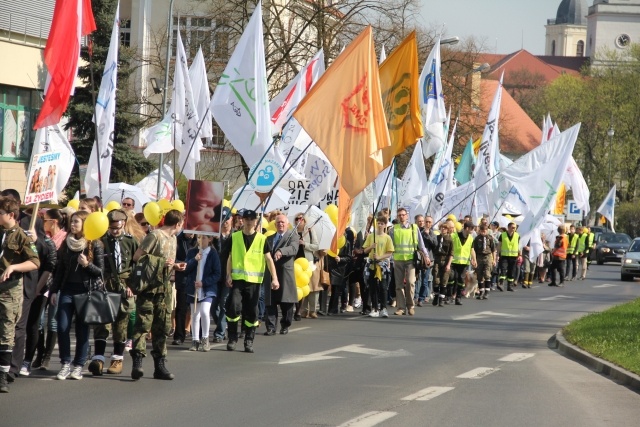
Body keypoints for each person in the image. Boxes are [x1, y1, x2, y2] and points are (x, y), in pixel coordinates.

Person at [130, 210, 186, 380]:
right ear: (177, 224)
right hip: (149, 288)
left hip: (165, 288)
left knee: (162, 327)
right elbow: (138, 257)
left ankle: (159, 365)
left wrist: (175, 266)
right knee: (143, 325)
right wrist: (161, 262)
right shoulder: (155, 236)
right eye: (181, 223)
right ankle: (137, 363)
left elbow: (166, 263)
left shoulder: (173, 238)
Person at [49, 211, 104, 381]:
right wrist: (53, 291)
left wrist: (87, 265)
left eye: (77, 222)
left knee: (82, 330)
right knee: (63, 327)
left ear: (85, 224)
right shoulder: (66, 243)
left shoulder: (95, 244)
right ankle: (65, 363)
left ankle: (79, 365)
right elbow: (60, 270)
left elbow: (100, 272)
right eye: (72, 222)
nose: (73, 225)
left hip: (86, 292)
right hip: (67, 290)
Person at [87, 210, 138, 376]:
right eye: (111, 228)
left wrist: (133, 286)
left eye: (117, 227)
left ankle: (117, 359)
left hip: (124, 285)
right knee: (102, 324)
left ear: (123, 223)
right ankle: (98, 359)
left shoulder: (131, 242)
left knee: (121, 325)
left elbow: (137, 266)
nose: (114, 231)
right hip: (104, 285)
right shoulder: (100, 242)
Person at [0, 196, 40, 392]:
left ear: (11, 215)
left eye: (0, 213)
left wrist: (14, 267)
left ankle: (3, 375)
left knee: (7, 332)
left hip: (9, 291)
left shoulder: (22, 236)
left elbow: (35, 262)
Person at [224, 209, 279, 353]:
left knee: (252, 312)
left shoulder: (262, 239)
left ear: (256, 221)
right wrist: (228, 275)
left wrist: (274, 278)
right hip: (238, 280)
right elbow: (229, 257)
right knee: (234, 307)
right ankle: (232, 338)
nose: (248, 222)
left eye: (251, 219)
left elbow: (269, 259)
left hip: (254, 282)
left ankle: (249, 339)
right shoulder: (234, 237)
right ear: (242, 220)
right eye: (246, 219)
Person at [389, 207, 430, 316]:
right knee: (399, 285)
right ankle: (401, 308)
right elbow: (390, 246)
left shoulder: (413, 228)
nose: (401, 217)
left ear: (407, 216)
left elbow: (421, 244)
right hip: (398, 260)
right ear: (397, 217)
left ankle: (410, 306)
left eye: (403, 215)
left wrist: (426, 256)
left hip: (411, 260)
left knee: (411, 282)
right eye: (399, 215)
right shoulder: (393, 229)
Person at [263, 214, 299, 336]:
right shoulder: (270, 238)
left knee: (286, 302)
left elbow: (294, 249)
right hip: (271, 273)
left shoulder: (293, 236)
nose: (280, 224)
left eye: (283, 222)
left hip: (285, 273)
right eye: (278, 222)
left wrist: (281, 251)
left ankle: (285, 324)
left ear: (287, 224)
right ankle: (271, 327)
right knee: (271, 302)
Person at [184, 234, 221, 351]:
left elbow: (217, 273)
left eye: (203, 238)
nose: (200, 240)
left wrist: (204, 283)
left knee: (205, 312)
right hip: (193, 289)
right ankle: (195, 340)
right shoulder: (192, 252)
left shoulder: (213, 254)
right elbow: (186, 268)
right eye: (199, 237)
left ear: (210, 239)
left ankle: (205, 338)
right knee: (195, 314)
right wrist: (195, 260)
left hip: (207, 289)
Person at [362, 215, 394, 318]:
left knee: (383, 287)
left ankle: (383, 308)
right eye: (378, 223)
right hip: (372, 265)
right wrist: (371, 247)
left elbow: (389, 252)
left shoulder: (387, 237)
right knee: (372, 287)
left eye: (382, 223)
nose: (380, 225)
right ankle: (374, 308)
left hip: (382, 266)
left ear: (385, 225)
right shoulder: (371, 236)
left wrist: (380, 257)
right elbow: (365, 250)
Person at [171, 231, 197, 346]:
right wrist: (181, 264)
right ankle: (179, 336)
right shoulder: (177, 240)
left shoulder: (200, 238)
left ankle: (198, 336)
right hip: (183, 278)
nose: (191, 233)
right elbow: (172, 257)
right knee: (181, 308)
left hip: (197, 279)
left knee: (197, 309)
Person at [212, 207, 233, 343]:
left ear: (231, 219)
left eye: (227, 219)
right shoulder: (214, 236)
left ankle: (219, 332)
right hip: (215, 275)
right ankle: (222, 326)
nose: (225, 222)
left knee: (224, 303)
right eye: (222, 219)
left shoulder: (236, 235)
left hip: (228, 274)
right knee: (213, 306)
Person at [294, 214, 321, 319]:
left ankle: (313, 310)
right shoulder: (292, 232)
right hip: (296, 263)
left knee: (312, 286)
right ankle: (302, 310)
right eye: (297, 219)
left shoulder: (310, 231)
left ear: (305, 221)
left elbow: (316, 246)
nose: (299, 221)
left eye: (301, 219)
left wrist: (304, 244)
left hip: (308, 263)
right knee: (300, 286)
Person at [449, 221, 477, 306]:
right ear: (467, 228)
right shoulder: (454, 236)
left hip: (464, 263)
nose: (473, 230)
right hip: (453, 262)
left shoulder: (471, 238)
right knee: (452, 278)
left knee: (460, 280)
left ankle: (458, 297)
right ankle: (449, 295)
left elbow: (472, 250)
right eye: (472, 228)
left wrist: (474, 259)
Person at [432, 220, 454, 307]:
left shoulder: (450, 240)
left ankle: (441, 298)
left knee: (444, 281)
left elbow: (451, 253)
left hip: (445, 260)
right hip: (437, 259)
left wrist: (448, 264)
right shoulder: (437, 238)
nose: (443, 230)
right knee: (436, 280)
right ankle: (436, 296)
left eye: (445, 228)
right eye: (442, 228)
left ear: (448, 230)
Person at [416, 215, 436, 306]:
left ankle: (421, 298)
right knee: (415, 279)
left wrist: (427, 235)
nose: (427, 223)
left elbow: (435, 244)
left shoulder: (432, 234)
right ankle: (415, 296)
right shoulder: (419, 232)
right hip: (418, 258)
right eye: (426, 221)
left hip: (428, 260)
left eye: (429, 222)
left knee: (425, 279)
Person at [472, 224, 496, 300]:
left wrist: (494, 259)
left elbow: (493, 250)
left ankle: (487, 291)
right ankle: (481, 291)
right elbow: (474, 250)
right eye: (481, 231)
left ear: (487, 231)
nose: (483, 232)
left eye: (484, 231)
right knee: (479, 274)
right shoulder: (477, 239)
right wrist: (474, 259)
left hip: (487, 256)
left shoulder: (490, 238)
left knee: (487, 274)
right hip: (479, 257)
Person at [497, 222, 520, 292]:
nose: (514, 229)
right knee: (503, 269)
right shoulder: (502, 235)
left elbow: (519, 246)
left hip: (513, 256)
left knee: (511, 271)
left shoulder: (517, 235)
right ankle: (501, 283)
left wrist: (520, 255)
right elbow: (499, 245)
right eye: (512, 227)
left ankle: (509, 286)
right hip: (504, 256)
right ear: (508, 227)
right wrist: (497, 255)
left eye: (515, 228)